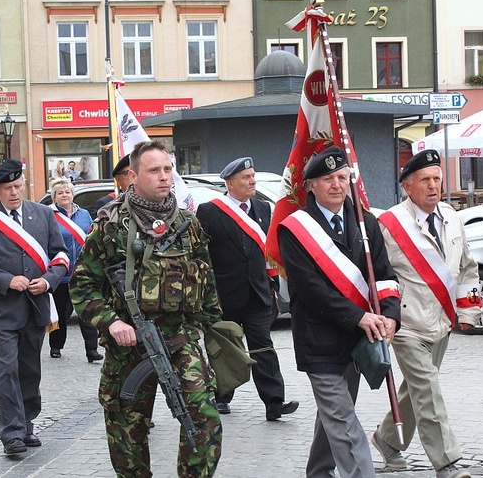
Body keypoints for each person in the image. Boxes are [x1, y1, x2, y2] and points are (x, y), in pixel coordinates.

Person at [70, 140, 223, 477]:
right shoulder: (111, 225)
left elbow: (207, 284)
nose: (164, 177)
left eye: (168, 169)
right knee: (127, 434)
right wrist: (111, 323)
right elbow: (82, 285)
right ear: (134, 176)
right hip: (129, 344)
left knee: (204, 419)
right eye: (154, 170)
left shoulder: (188, 224)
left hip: (180, 339)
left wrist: (214, 338)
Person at [277, 147, 401, 478]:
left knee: (334, 414)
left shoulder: (366, 222)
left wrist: (390, 314)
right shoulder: (294, 229)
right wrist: (358, 316)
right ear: (311, 186)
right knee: (344, 421)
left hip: (359, 340)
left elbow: (385, 275)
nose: (336, 184)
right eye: (327, 178)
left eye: (342, 177)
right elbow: (311, 290)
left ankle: (319, 472)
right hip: (319, 341)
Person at [373, 149, 479, 478]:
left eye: (437, 179)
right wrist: (387, 316)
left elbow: (467, 268)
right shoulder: (390, 225)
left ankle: (387, 439)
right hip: (407, 324)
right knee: (428, 390)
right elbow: (377, 273)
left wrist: (468, 310)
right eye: (424, 180)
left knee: (416, 389)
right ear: (407, 186)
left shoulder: (452, 217)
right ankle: (446, 462)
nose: (433, 186)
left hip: (441, 322)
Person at [0, 159, 69, 455]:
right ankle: (11, 434)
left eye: (18, 186)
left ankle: (26, 423)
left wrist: (48, 281)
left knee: (29, 369)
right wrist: (7, 280)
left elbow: (60, 255)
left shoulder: (43, 214)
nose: (14, 193)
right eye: (8, 188)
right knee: (7, 368)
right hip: (3, 310)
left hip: (36, 305)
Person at [196, 156, 298, 420]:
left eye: (253, 176)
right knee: (226, 348)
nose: (253, 181)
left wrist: (272, 282)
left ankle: (275, 402)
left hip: (256, 293)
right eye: (246, 177)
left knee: (263, 346)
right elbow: (201, 255)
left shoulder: (263, 209)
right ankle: (221, 396)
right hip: (224, 295)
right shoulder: (209, 211)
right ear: (230, 183)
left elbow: (268, 251)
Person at [46, 178, 102, 362]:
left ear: (72, 194)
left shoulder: (85, 214)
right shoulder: (49, 215)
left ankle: (92, 350)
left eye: (67, 192)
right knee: (61, 313)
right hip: (61, 272)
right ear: (54, 196)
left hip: (82, 271)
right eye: (60, 192)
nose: (64, 195)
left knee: (87, 312)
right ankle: (56, 346)